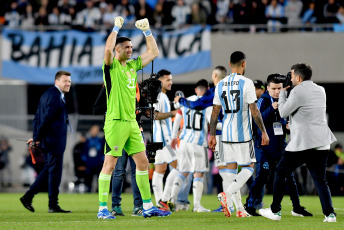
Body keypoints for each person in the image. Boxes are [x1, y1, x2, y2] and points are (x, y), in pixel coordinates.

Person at [96, 16, 171, 219]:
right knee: (110, 165)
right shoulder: (110, 68)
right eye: (126, 47)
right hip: (115, 123)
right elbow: (107, 50)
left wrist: (147, 31)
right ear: (118, 50)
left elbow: (154, 52)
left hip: (131, 123)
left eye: (131, 47)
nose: (130, 50)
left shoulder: (132, 66)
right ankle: (103, 208)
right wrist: (115, 27)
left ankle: (147, 206)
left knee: (143, 163)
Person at [259, 63, 337, 222]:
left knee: (280, 171)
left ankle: (275, 211)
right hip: (322, 142)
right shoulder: (321, 90)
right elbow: (307, 111)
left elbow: (282, 111)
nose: (291, 78)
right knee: (320, 179)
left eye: (292, 75)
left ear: (299, 78)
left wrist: (283, 92)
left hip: (303, 142)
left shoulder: (297, 92)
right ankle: (330, 214)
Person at [208, 51, 270, 218]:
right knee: (249, 168)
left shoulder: (220, 84)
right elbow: (254, 110)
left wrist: (212, 135)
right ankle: (227, 194)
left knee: (231, 172)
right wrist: (263, 131)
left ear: (229, 64)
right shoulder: (247, 82)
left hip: (226, 134)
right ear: (244, 64)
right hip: (242, 134)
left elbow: (215, 112)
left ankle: (240, 209)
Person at [244, 74, 312, 217]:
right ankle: (249, 206)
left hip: (281, 147)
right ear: (267, 88)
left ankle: (297, 207)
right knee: (262, 177)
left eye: (279, 88)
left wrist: (286, 125)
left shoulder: (285, 100)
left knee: (289, 177)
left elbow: (284, 119)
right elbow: (256, 119)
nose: (277, 91)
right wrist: (272, 109)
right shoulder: (263, 100)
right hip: (266, 149)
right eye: (274, 88)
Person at [174, 66, 228, 213]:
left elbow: (197, 105)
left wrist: (181, 100)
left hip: (218, 134)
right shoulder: (233, 87)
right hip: (229, 132)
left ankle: (171, 200)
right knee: (229, 168)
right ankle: (229, 203)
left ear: (215, 76)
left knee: (225, 169)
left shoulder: (214, 92)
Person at [20, 71, 72, 213]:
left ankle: (44, 202)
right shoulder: (55, 96)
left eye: (69, 81)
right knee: (52, 172)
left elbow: (37, 117)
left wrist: (36, 136)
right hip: (53, 141)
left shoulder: (47, 94)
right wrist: (37, 138)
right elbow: (45, 119)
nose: (68, 84)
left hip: (49, 140)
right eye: (65, 81)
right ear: (57, 82)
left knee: (51, 171)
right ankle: (39, 200)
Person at [169, 79, 212, 213]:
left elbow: (177, 119)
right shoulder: (207, 104)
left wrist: (174, 137)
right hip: (198, 143)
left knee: (183, 171)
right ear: (208, 89)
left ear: (195, 89)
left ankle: (172, 199)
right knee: (198, 173)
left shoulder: (187, 101)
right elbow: (213, 122)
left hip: (184, 142)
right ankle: (197, 206)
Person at [151, 69, 178, 211]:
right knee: (180, 167)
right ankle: (164, 200)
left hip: (158, 140)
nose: (170, 82)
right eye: (168, 80)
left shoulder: (163, 96)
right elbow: (154, 115)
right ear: (160, 80)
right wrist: (172, 113)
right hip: (163, 141)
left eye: (171, 79)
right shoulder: (159, 96)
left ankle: (159, 203)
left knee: (160, 170)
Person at [83, 125, 105, 192]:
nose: (94, 132)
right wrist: (86, 161)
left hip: (99, 164)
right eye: (93, 130)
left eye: (96, 131)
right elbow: (84, 153)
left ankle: (99, 192)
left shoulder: (101, 141)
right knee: (88, 180)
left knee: (99, 180)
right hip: (89, 164)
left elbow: (104, 152)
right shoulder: (87, 141)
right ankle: (88, 192)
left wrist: (101, 160)